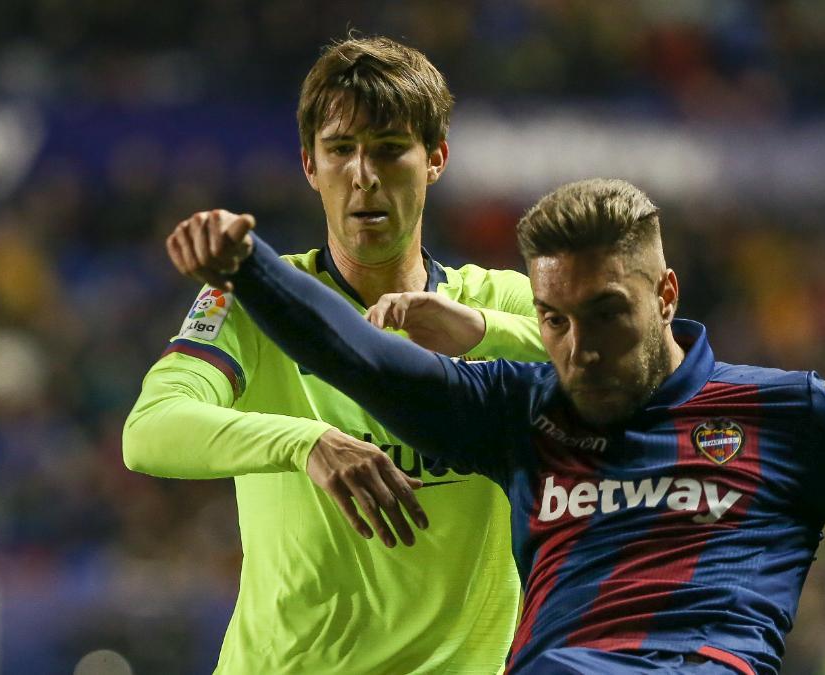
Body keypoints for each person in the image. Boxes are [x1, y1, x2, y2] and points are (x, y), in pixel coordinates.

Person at [167, 179, 825, 674]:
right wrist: (249, 268)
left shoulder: (798, 416)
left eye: (605, 315)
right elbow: (366, 361)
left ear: (666, 293)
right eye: (554, 319)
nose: (577, 348)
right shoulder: (523, 409)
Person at [123, 36, 546, 674]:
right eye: (341, 150)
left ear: (435, 160)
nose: (363, 176)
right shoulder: (256, 302)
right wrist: (308, 443)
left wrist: (482, 329)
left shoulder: (499, 302)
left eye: (389, 149)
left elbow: (649, 360)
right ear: (309, 166)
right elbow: (149, 431)